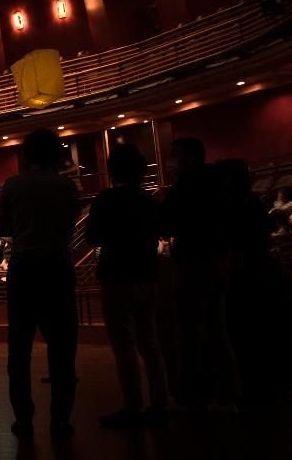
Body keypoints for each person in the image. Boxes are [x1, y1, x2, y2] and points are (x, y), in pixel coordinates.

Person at [0, 128, 79, 439]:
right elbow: (70, 226)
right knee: (63, 345)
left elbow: (2, 226)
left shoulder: (14, 185)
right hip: (57, 265)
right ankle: (60, 417)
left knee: (19, 348)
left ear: (26, 156)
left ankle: (24, 418)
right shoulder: (67, 187)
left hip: (25, 267)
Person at [87, 144, 170, 428]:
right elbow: (162, 230)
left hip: (117, 275)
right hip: (147, 273)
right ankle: (161, 403)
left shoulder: (106, 199)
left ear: (112, 171)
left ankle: (133, 407)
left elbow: (92, 237)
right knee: (151, 342)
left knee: (124, 345)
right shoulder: (149, 201)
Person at [161, 137, 241, 413]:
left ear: (192, 157)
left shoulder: (184, 188)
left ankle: (194, 395)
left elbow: (166, 223)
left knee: (189, 332)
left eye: (175, 155)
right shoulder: (221, 185)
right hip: (219, 262)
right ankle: (228, 396)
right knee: (217, 331)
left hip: (193, 263)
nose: (170, 160)